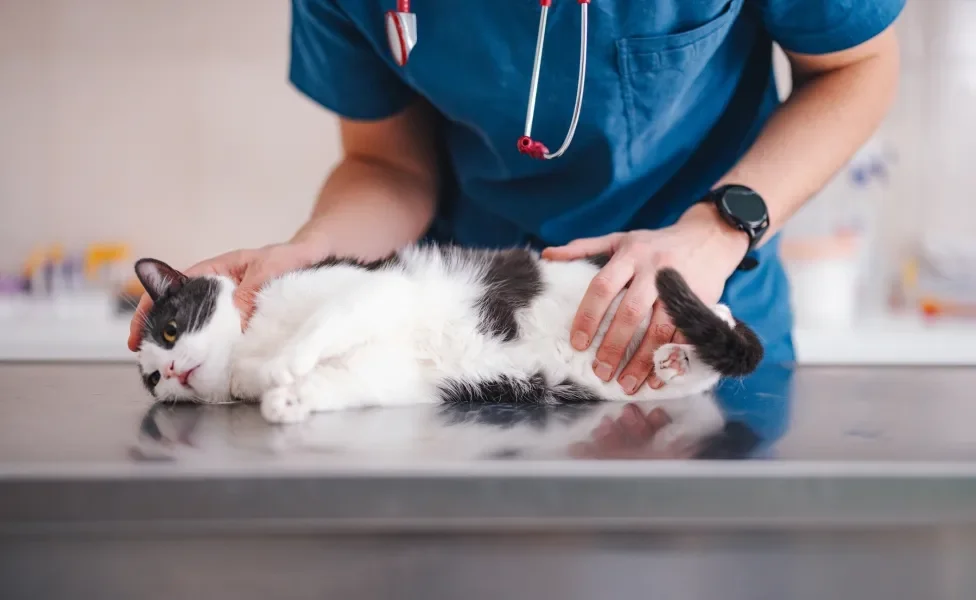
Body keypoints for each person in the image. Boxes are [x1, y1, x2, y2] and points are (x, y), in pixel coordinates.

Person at [128, 0, 903, 395]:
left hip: (694, 325)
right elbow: (390, 165)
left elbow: (857, 66)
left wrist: (719, 226)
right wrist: (311, 252)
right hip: (462, 354)